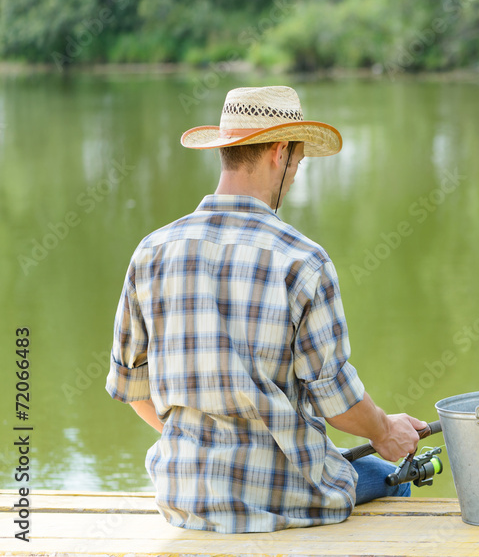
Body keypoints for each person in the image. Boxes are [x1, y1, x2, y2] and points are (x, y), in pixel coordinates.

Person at [105, 85, 427, 533]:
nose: (295, 174)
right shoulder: (301, 260)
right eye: (297, 161)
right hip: (286, 495)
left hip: (183, 496)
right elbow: (336, 400)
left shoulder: (151, 251)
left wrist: (202, 444)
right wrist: (384, 431)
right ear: (279, 152)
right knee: (394, 481)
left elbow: (132, 387)